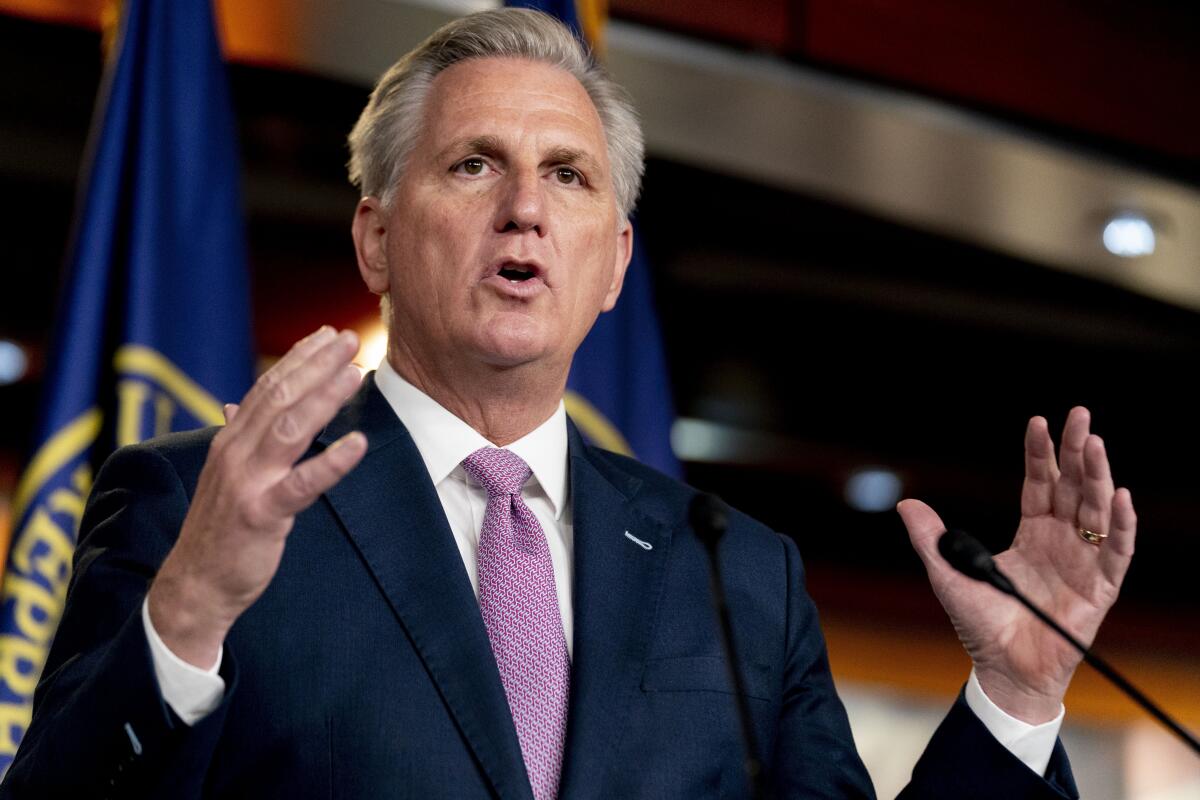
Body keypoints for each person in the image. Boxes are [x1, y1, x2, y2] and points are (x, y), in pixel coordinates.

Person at [2, 8, 1135, 799]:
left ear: (613, 265)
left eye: (568, 175)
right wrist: (187, 616)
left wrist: (1017, 696)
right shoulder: (201, 506)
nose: (524, 210)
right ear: (376, 236)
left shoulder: (734, 573)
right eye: (472, 165)